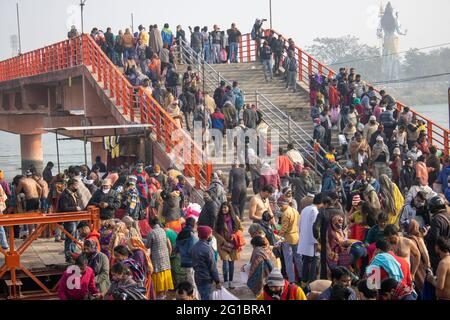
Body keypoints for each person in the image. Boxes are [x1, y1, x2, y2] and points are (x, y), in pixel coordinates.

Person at [214, 202, 243, 289]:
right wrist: (222, 240)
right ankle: (226, 281)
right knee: (225, 262)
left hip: (233, 244)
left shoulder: (235, 218)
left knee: (231, 263)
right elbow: (214, 231)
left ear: (229, 208)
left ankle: (231, 281)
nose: (223, 209)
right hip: (223, 244)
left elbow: (241, 229)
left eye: (225, 208)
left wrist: (234, 235)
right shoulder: (218, 218)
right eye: (222, 208)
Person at [145, 218, 174, 299]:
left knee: (158, 273)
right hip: (165, 256)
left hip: (156, 257)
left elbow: (147, 246)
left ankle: (159, 296)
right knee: (165, 272)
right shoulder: (163, 231)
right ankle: (164, 295)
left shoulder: (151, 232)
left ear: (151, 225)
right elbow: (169, 244)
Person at [298, 195, 323, 284]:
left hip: (304, 239)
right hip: (312, 241)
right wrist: (316, 242)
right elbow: (315, 229)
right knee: (313, 261)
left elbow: (299, 224)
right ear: (321, 203)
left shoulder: (305, 209)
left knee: (306, 261)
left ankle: (304, 281)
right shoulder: (315, 211)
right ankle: (312, 283)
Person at [192, 226, 221, 300]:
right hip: (206, 279)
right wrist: (217, 281)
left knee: (202, 296)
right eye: (211, 233)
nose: (212, 235)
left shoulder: (194, 247)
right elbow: (212, 267)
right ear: (207, 235)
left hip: (198, 277)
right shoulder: (207, 249)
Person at [277, 195, 302, 284]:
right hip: (296, 237)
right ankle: (302, 277)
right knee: (298, 259)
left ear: (286, 204)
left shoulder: (286, 213)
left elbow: (283, 229)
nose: (280, 207)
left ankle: (291, 280)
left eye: (280, 205)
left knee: (288, 261)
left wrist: (278, 239)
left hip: (287, 239)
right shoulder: (294, 210)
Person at [57, 179, 82, 263]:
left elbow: (80, 197)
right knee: (70, 237)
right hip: (70, 219)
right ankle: (68, 256)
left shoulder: (74, 193)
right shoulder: (65, 195)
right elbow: (63, 208)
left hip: (75, 218)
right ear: (71, 185)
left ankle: (73, 254)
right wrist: (75, 208)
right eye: (76, 185)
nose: (77, 187)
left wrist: (77, 191)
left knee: (75, 237)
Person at [424, 196, 450, 272]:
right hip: (447, 251)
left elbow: (435, 238)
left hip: (438, 255)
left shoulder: (437, 219)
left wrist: (426, 234)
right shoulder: (448, 216)